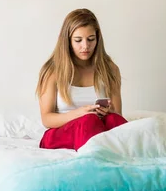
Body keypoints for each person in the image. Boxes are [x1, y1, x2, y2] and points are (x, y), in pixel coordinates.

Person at [36, 8, 127, 150]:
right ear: (67, 41)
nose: (85, 46)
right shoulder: (52, 71)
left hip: (97, 129)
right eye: (78, 40)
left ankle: (133, 157)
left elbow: (118, 115)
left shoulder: (110, 69)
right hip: (60, 132)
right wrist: (78, 114)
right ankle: (96, 157)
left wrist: (107, 112)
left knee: (113, 120)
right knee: (89, 120)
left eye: (91, 39)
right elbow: (46, 119)